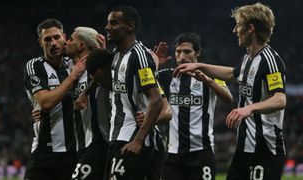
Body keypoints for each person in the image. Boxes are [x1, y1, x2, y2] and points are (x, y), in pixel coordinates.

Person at [174, 3, 286, 180]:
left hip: (265, 150)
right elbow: (232, 74)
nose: (235, 30)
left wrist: (248, 108)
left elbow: (280, 99)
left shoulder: (270, 61)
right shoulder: (247, 59)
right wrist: (199, 65)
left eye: (238, 25)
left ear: (250, 29)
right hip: (244, 148)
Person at [104, 5, 171, 180]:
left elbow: (156, 100)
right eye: (108, 23)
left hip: (133, 139)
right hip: (118, 136)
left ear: (130, 27)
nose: (107, 27)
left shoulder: (139, 56)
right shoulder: (116, 55)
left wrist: (138, 141)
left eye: (114, 23)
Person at [154, 33, 233, 180]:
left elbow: (228, 98)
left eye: (187, 52)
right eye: (178, 52)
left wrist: (207, 80)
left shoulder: (210, 76)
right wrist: (155, 64)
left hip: (201, 153)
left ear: (197, 52)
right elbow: (143, 83)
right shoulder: (166, 76)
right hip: (173, 154)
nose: (182, 56)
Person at [23, 19, 86, 180]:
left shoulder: (74, 62)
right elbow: (46, 103)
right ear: (40, 42)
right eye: (47, 39)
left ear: (64, 37)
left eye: (57, 37)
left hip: (73, 153)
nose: (53, 43)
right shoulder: (34, 66)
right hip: (44, 153)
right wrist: (72, 78)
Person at [65, 26, 109, 180]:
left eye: (70, 39)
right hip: (80, 145)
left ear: (81, 45)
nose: (66, 42)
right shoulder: (71, 70)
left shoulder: (97, 72)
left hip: (97, 143)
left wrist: (102, 54)